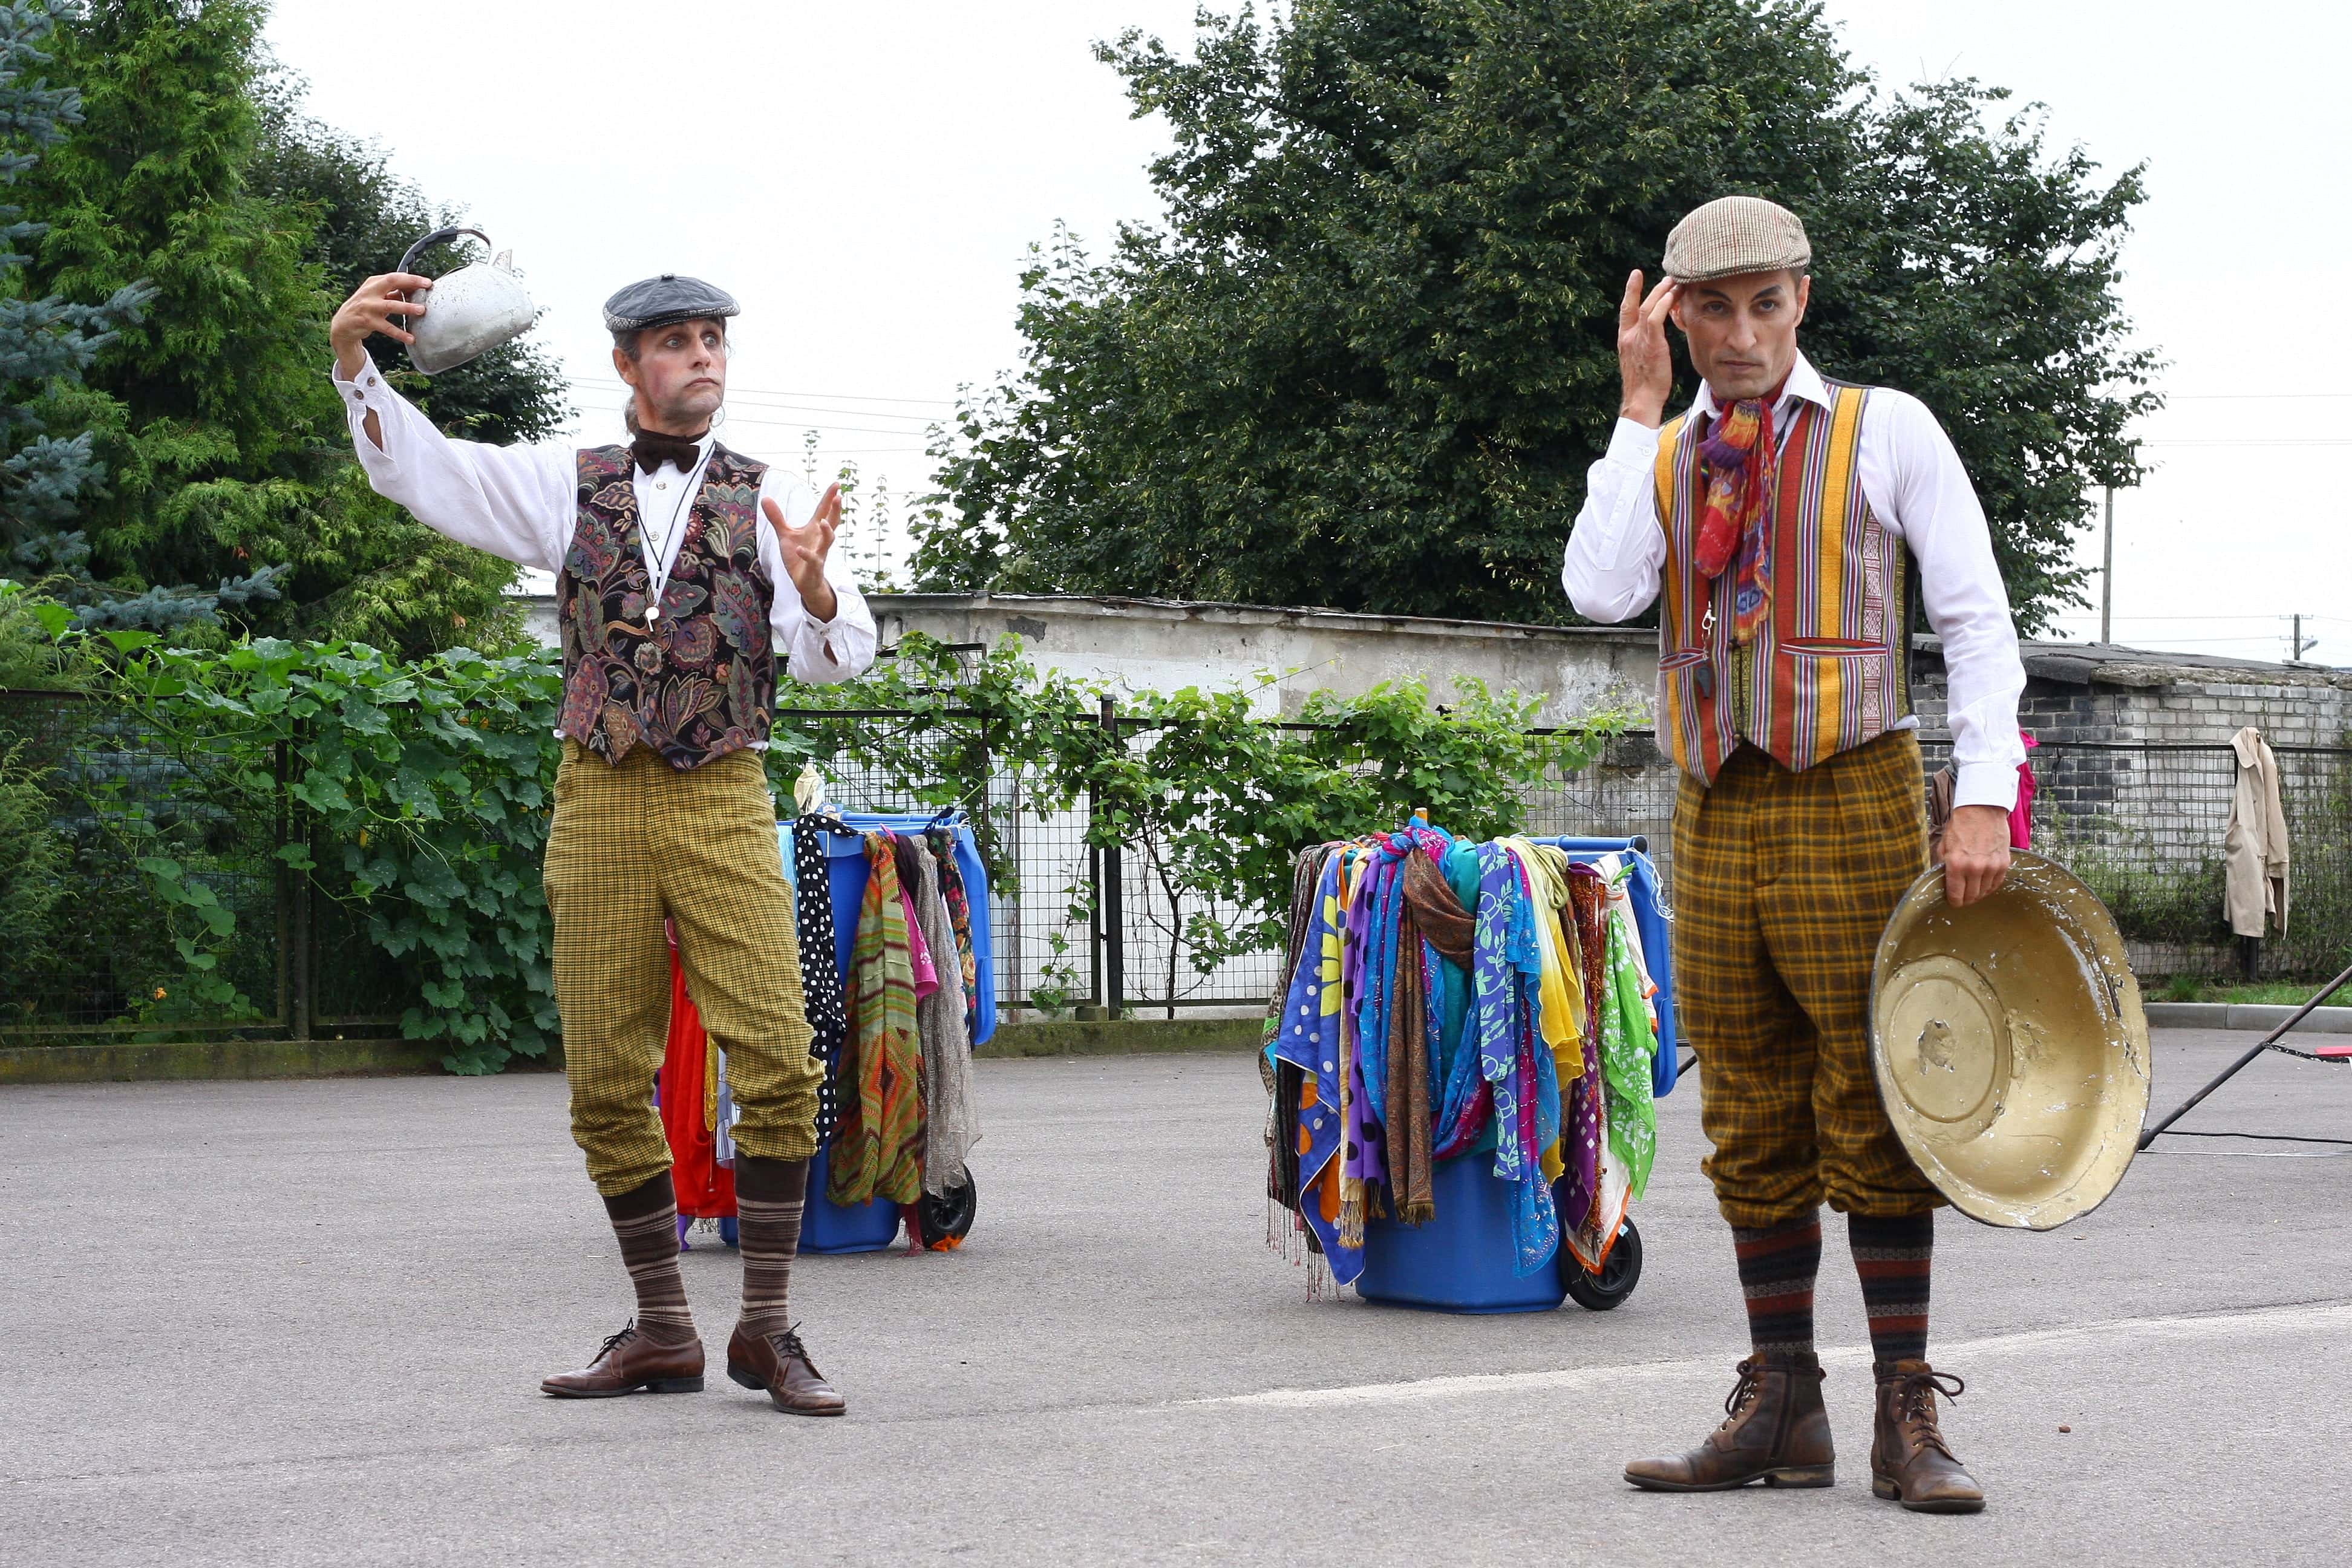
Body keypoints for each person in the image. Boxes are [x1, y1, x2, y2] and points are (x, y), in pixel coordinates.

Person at [328, 269, 877, 1416]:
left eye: (714, 339)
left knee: (781, 1057)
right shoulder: (559, 483)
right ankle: (665, 1327)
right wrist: (354, 364)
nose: (703, 358)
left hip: (725, 796)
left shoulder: (769, 503)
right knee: (604, 1079)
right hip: (600, 800)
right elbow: (431, 472)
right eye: (676, 342)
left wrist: (817, 596)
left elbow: (840, 656)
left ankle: (766, 1330)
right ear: (628, 365)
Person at [1563, 197, 2025, 1512]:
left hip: (1857, 792)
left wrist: (1984, 796)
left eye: (1767, 303)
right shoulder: (1666, 452)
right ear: (1678, 317)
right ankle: (1782, 1404)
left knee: (1879, 1096)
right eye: (1714, 307)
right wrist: (1637, 407)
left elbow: (1977, 622)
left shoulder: (1890, 429)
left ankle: (1904, 1411)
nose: (1744, 332)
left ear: (1802, 302)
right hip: (1717, 805)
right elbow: (1600, 591)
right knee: (1750, 1107)